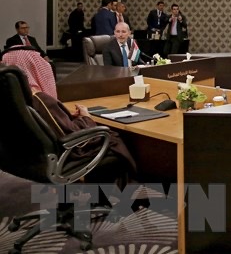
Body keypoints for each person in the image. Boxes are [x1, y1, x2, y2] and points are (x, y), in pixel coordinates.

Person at [1, 47, 137, 188]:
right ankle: (129, 192)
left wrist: (64, 114)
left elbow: (48, 125)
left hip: (28, 161)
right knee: (112, 137)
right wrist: (86, 117)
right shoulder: (40, 99)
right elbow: (72, 135)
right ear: (33, 67)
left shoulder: (13, 101)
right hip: (65, 156)